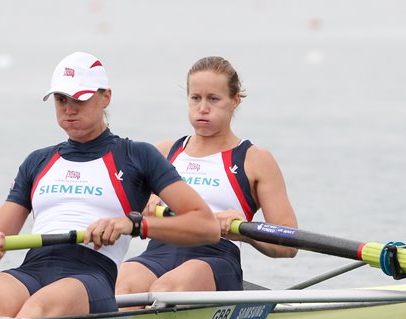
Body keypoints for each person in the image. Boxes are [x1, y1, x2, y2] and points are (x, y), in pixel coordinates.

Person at [0, 51, 219, 319]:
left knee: (38, 308)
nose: (69, 108)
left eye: (80, 98)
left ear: (105, 97)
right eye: (61, 99)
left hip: (90, 276)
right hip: (32, 269)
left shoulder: (137, 156)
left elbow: (206, 226)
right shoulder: (37, 161)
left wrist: (132, 224)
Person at [116, 56, 298, 303]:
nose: (203, 107)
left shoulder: (255, 160)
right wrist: (144, 202)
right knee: (120, 284)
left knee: (166, 290)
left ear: (234, 101)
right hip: (157, 255)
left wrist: (243, 232)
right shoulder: (163, 153)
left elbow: (288, 244)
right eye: (195, 98)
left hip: (215, 259)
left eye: (213, 99)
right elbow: (119, 210)